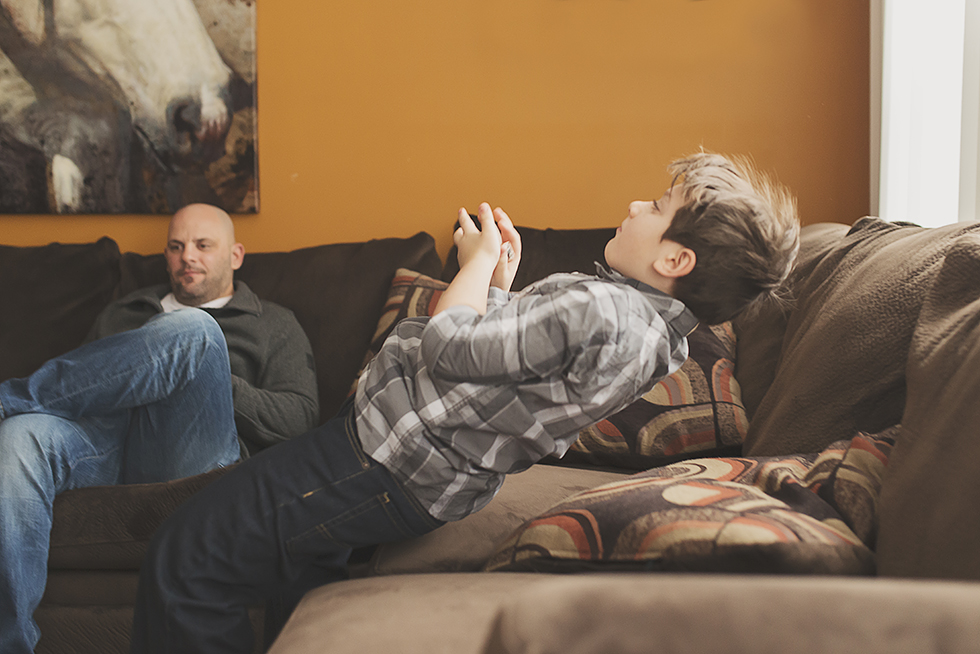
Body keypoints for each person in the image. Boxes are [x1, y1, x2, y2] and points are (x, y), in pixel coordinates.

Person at [130, 152, 800, 653]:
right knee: (294, 579)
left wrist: (475, 264)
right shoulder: (653, 336)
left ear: (676, 261)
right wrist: (503, 286)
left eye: (656, 208)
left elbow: (451, 347)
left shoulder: (605, 310)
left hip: (377, 462)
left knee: (185, 555)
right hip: (412, 475)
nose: (634, 208)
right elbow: (511, 371)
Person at [0, 204, 319, 654]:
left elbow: (299, 418)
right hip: (105, 446)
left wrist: (204, 372)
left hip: (191, 452)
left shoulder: (273, 323)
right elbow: (79, 390)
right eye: (176, 246)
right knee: (17, 437)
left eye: (203, 245)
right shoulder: (123, 312)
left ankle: (7, 398)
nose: (187, 256)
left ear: (236, 255)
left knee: (193, 329)